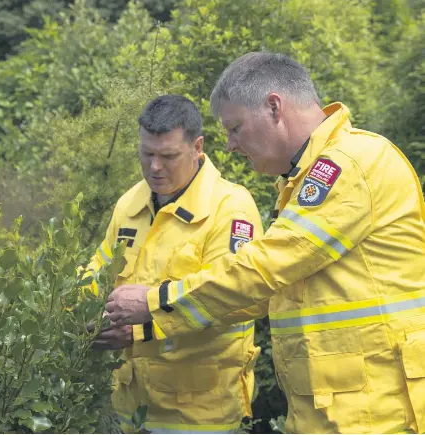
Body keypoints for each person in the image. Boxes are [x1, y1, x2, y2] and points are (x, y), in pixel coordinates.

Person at [105, 53, 425, 434]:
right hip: (333, 410)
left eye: (236, 128)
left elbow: (264, 269)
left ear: (274, 107)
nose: (230, 145)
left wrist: (155, 302)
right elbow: (262, 294)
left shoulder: (348, 165)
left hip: (375, 412)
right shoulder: (304, 179)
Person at [84, 94, 265, 433]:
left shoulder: (230, 208)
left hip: (198, 414)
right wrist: (82, 316)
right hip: (131, 409)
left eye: (168, 156)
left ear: (197, 147)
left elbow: (233, 302)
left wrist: (139, 332)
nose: (155, 167)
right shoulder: (130, 204)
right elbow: (97, 271)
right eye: (146, 154)